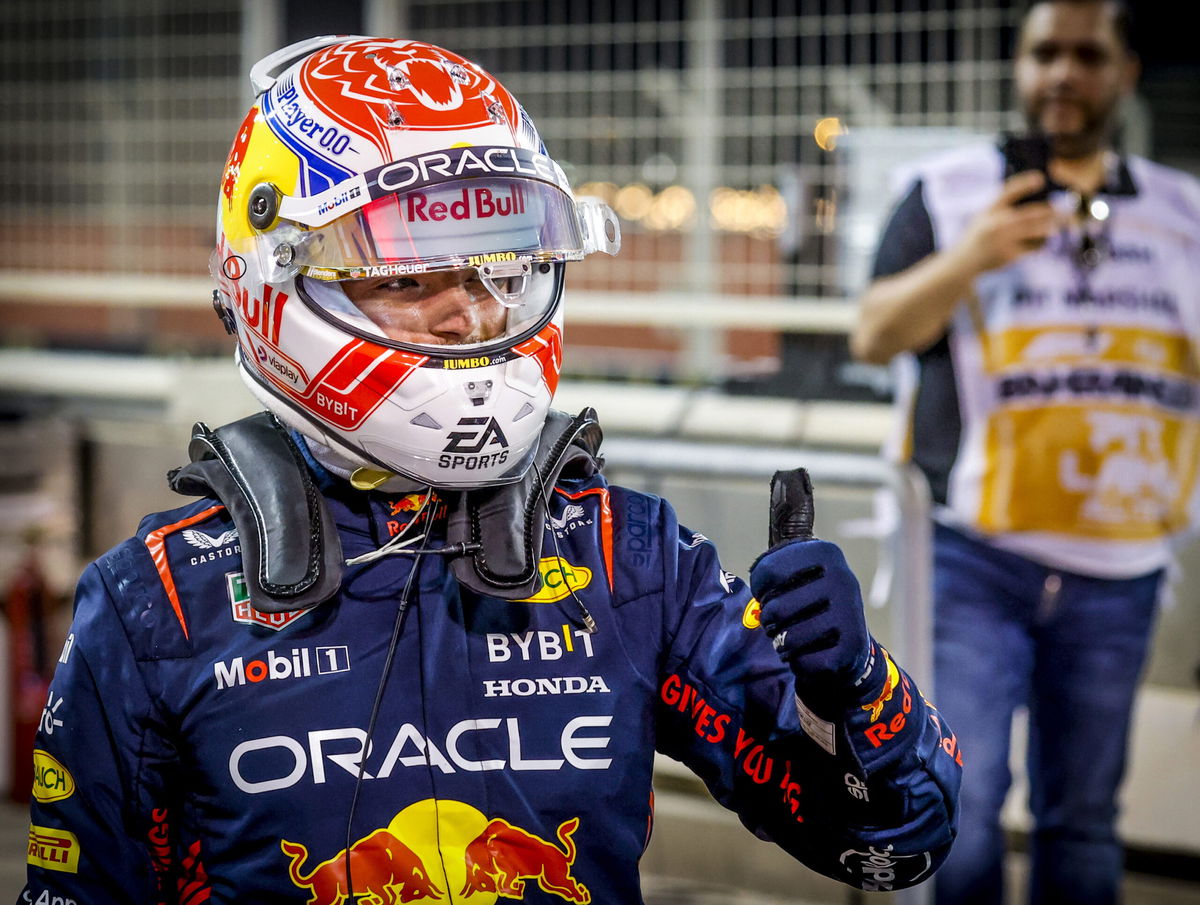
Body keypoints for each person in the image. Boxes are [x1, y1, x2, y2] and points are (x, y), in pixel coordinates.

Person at [22, 36, 960, 903]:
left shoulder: (625, 557)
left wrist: (851, 691)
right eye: (405, 278)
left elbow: (896, 841)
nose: (468, 318)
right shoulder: (159, 605)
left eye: (496, 268)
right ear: (269, 291)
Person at [851, 2, 1200, 903]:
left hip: (1120, 569)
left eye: (1089, 55)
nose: (1063, 75)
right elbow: (873, 333)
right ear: (1020, 63)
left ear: (1124, 72)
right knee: (956, 817)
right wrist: (972, 256)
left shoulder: (1182, 212)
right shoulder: (948, 192)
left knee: (1081, 824)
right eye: (1046, 52)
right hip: (974, 557)